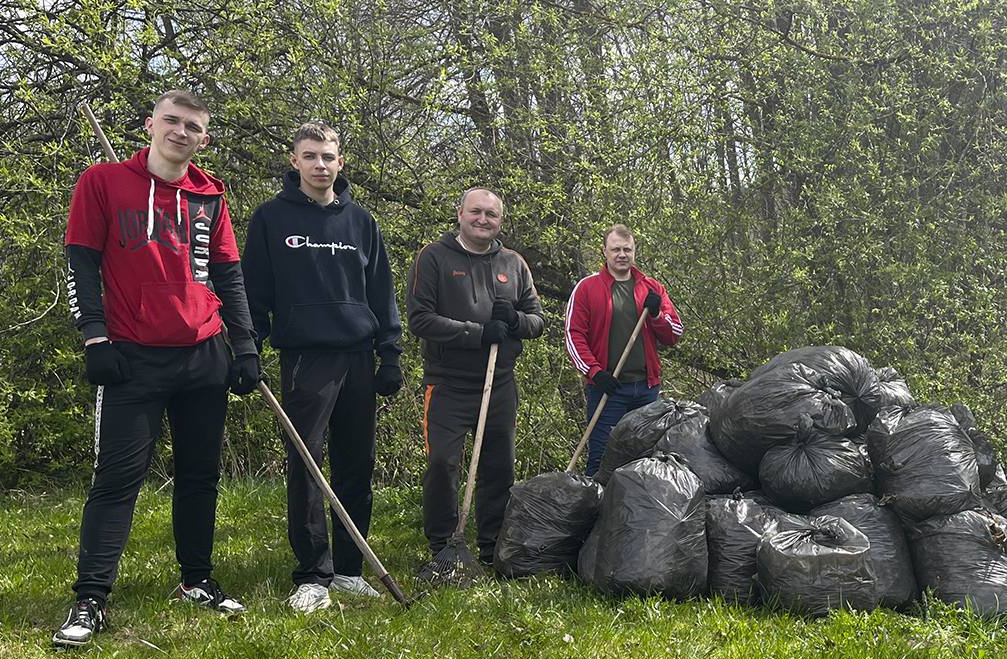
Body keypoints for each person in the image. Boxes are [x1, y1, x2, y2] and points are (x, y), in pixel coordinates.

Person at [54, 89, 262, 647]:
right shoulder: (102, 182)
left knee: (199, 477)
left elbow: (230, 277)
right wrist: (95, 338)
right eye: (172, 121)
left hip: (204, 353)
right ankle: (90, 599)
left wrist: (246, 350)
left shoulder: (210, 195)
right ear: (150, 124)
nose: (181, 132)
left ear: (204, 138)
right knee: (117, 481)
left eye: (193, 126)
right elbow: (81, 263)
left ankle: (196, 580)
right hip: (131, 357)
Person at [243, 122, 404, 612]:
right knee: (308, 464)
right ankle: (313, 573)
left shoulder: (362, 222)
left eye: (327, 157)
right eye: (310, 156)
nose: (319, 165)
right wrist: (249, 346)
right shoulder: (270, 218)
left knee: (356, 464)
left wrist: (390, 352)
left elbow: (381, 291)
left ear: (340, 161)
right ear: (294, 161)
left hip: (358, 354)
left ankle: (351, 570)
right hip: (304, 357)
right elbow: (254, 291)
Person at [407, 187, 545, 580]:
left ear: (501, 220)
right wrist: (477, 333)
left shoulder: (513, 263)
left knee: (498, 468)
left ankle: (491, 546)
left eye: (491, 215)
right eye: (475, 213)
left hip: (499, 383)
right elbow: (420, 318)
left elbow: (537, 319)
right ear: (460, 214)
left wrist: (515, 322)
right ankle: (444, 548)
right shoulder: (434, 257)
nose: (483, 220)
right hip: (448, 383)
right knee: (441, 465)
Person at [565, 225, 683, 477]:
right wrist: (594, 372)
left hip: (647, 390)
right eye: (616, 249)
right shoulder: (587, 288)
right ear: (605, 252)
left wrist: (656, 315)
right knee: (601, 458)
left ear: (634, 252)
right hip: (609, 389)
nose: (622, 254)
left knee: (645, 460)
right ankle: (594, 513)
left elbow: (674, 335)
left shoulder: (652, 288)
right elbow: (574, 336)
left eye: (627, 249)